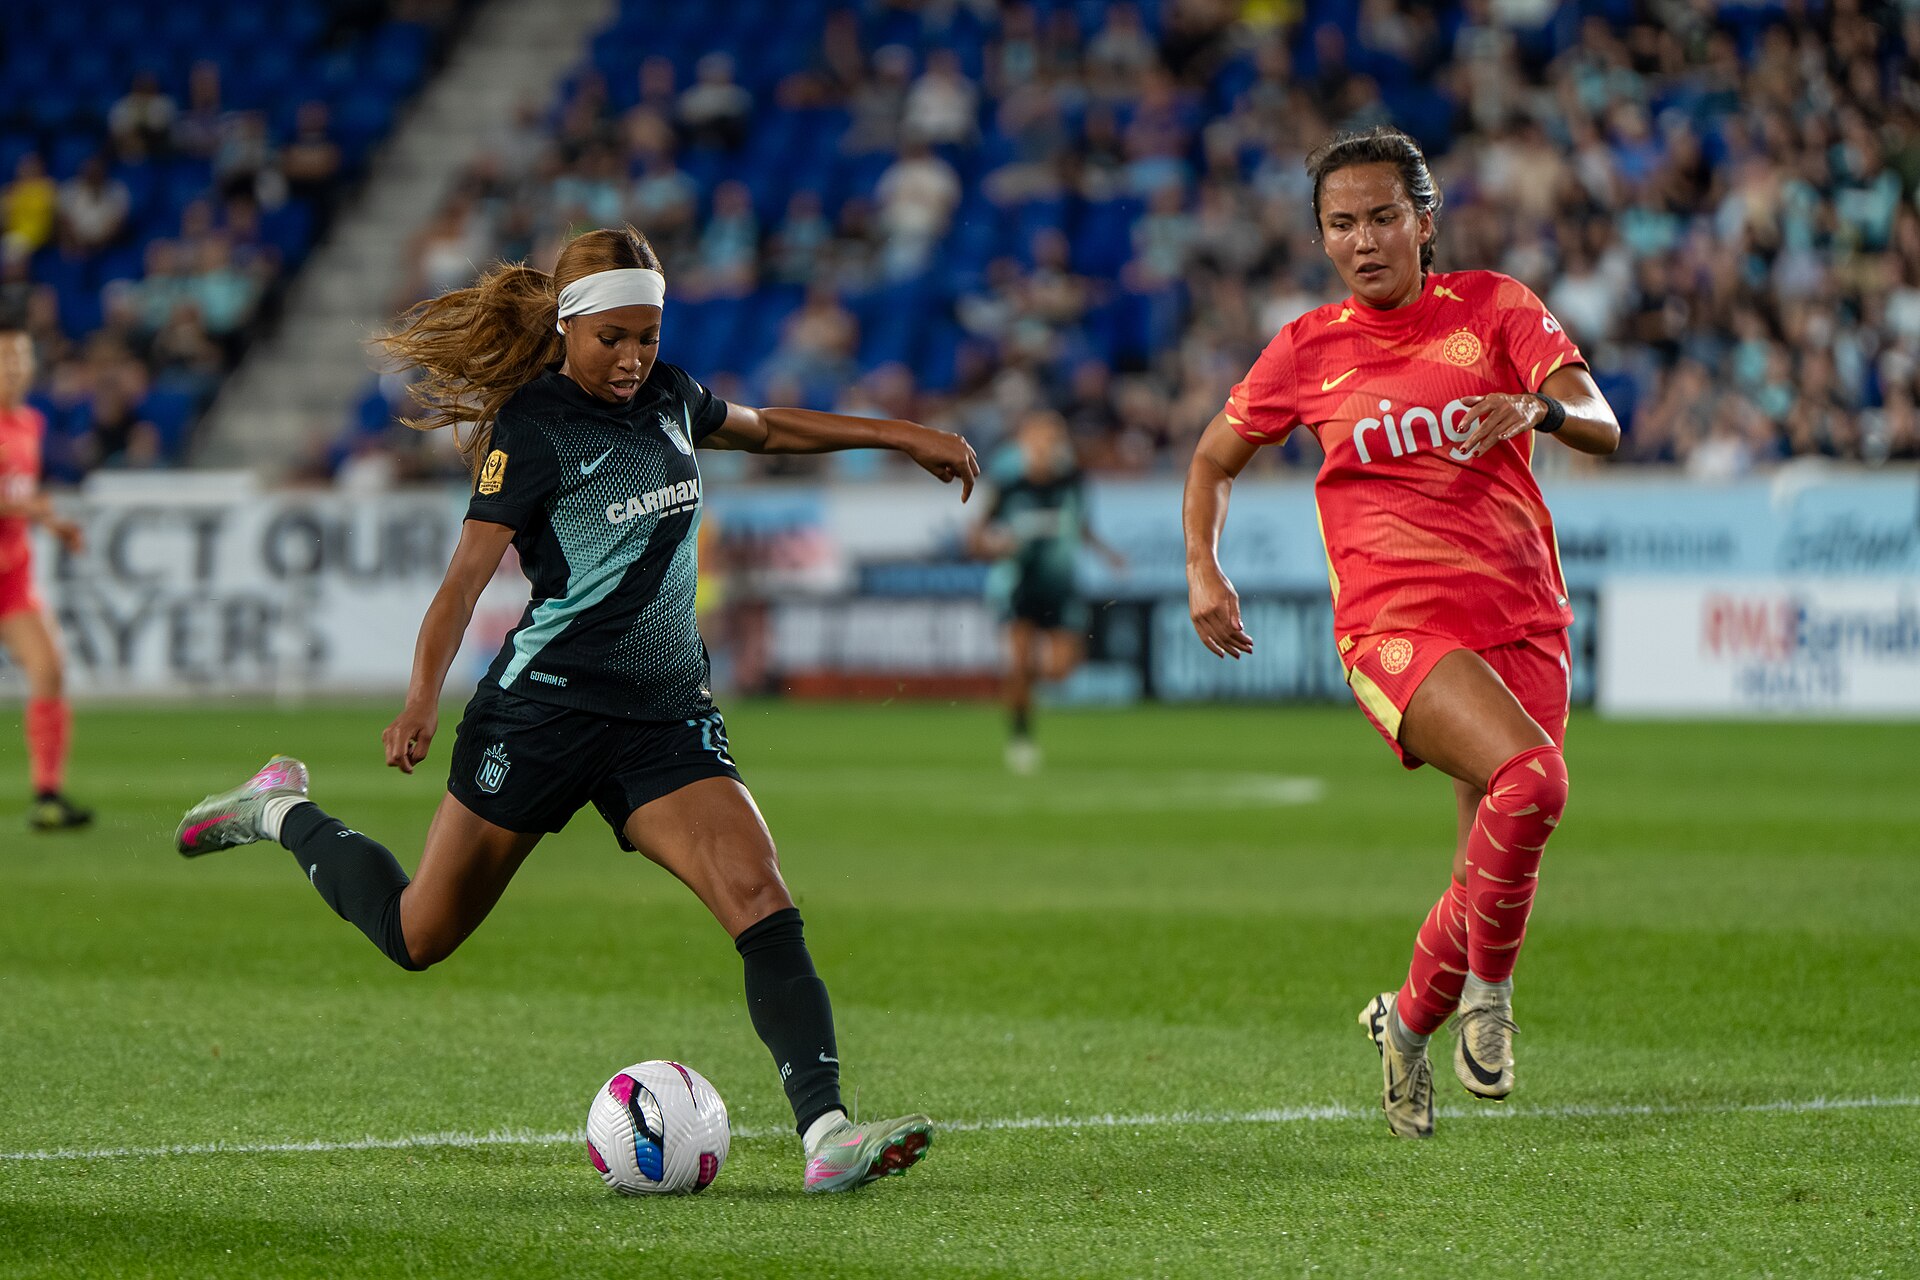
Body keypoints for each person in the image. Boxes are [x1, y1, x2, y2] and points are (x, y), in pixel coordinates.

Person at [174, 226, 979, 1192]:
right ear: (569, 328)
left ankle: (827, 1135)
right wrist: (422, 696)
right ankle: (280, 808)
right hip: (540, 718)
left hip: (665, 720)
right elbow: (463, 582)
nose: (634, 358)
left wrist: (900, 436)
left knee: (762, 899)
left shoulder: (674, 396)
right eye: (615, 340)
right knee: (417, 935)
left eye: (648, 335)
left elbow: (769, 428)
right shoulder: (533, 429)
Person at [1181, 127, 1620, 1140]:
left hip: (1522, 614)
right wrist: (1204, 565)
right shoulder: (1305, 349)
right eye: (1342, 223)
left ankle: (1406, 1026)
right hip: (1394, 626)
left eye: (1384, 217)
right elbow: (1213, 459)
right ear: (1322, 236)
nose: (1365, 240)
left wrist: (1537, 413)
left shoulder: (1497, 308)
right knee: (1535, 781)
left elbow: (1599, 419)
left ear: (1425, 221)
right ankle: (1491, 1000)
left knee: (1489, 858)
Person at [970, 410, 1122, 773]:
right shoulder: (1009, 488)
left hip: (1060, 584)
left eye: (1053, 439)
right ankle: (1021, 736)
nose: (1046, 447)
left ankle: (1022, 692)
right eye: (1039, 439)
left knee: (1060, 667)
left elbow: (1080, 525)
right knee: (1020, 662)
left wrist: (1107, 554)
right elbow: (975, 538)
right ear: (1023, 444)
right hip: (1017, 584)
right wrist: (994, 547)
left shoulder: (1073, 482)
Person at [0, 323, 91, 830]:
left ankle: (48, 796)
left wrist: (50, 522)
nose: (13, 366)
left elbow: (20, 498)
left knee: (50, 671)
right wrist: (36, 510)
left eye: (19, 357)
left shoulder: (29, 423)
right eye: (4, 358)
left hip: (11, 577)